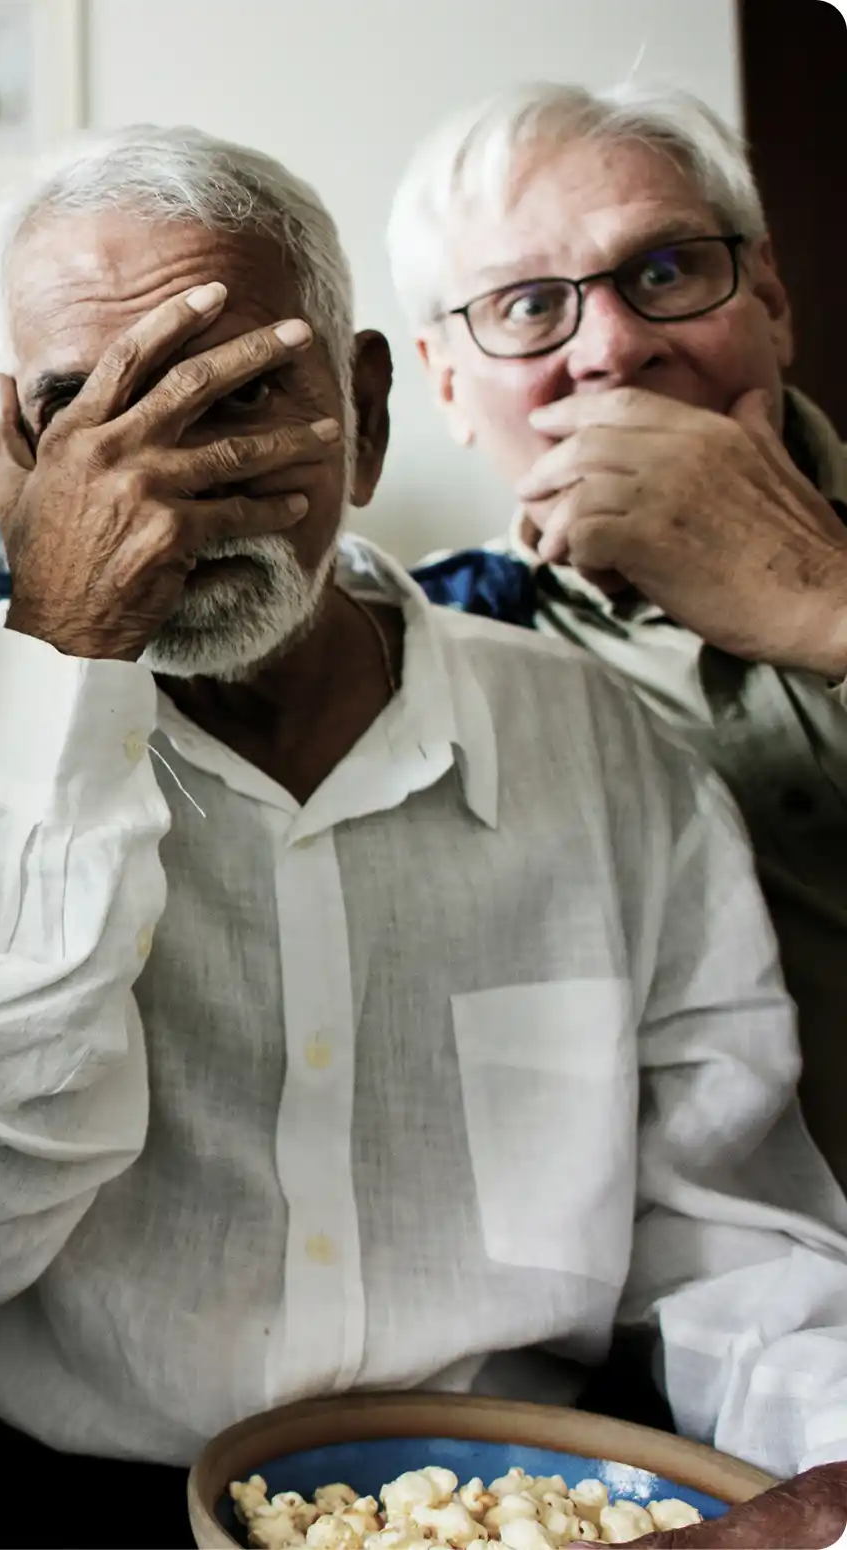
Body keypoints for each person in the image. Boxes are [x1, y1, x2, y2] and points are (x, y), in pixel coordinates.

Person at [0, 125, 847, 1550]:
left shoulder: (597, 742)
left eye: (244, 387)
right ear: (14, 449)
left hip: (513, 1505)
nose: (176, 472)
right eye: (88, 408)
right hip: (65, 1504)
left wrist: (829, 1474)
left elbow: (723, 1232)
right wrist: (67, 665)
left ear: (364, 407)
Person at [390, 83, 847, 1178]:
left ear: (771, 296)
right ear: (446, 383)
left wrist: (818, 598)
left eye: (666, 270)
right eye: (529, 306)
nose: (612, 348)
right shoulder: (405, 665)